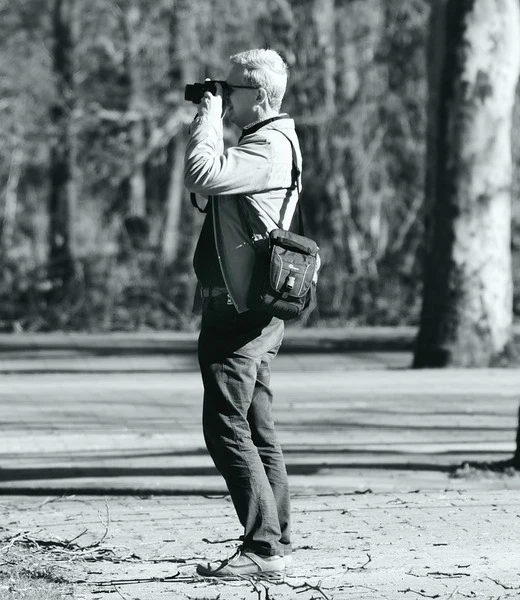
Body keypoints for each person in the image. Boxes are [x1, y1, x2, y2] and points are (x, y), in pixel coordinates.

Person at [184, 48, 301, 581]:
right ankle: (276, 536)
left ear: (256, 96)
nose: (224, 97)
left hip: (239, 310)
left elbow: (202, 172)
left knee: (225, 424)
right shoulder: (266, 141)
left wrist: (208, 116)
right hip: (250, 303)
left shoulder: (269, 146)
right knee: (255, 421)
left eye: (231, 90)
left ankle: (262, 549)